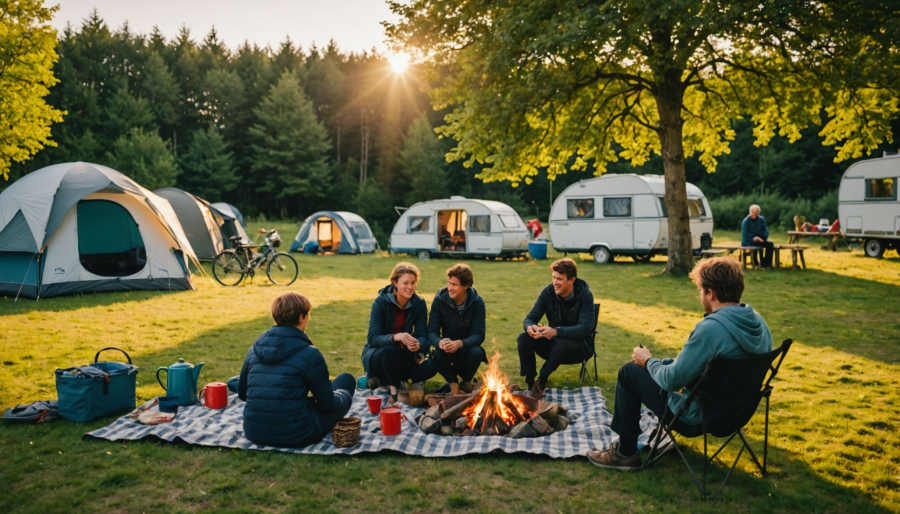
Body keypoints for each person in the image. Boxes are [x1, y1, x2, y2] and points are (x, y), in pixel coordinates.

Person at [586, 257, 773, 470]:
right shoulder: (757, 322)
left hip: (697, 417)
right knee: (656, 369)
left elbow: (671, 381)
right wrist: (663, 363)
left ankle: (625, 453)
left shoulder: (711, 329)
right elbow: (707, 369)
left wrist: (647, 361)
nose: (700, 295)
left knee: (629, 372)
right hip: (737, 412)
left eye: (701, 290)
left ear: (710, 293)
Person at [238, 292, 356, 448]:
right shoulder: (309, 354)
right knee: (346, 380)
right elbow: (328, 404)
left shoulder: (253, 350)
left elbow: (242, 394)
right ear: (301, 317)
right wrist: (341, 396)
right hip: (299, 434)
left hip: (254, 431)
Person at [517, 258, 595, 399]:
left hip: (579, 348)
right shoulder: (548, 292)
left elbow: (585, 328)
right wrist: (530, 327)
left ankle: (541, 381)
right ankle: (530, 382)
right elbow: (530, 318)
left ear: (571, 280)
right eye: (553, 278)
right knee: (523, 337)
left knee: (561, 342)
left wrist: (556, 331)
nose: (555, 283)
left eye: (559, 279)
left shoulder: (585, 296)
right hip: (553, 345)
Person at [362, 262, 438, 402]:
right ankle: (394, 388)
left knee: (432, 366)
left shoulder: (418, 303)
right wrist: (395, 337)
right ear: (395, 283)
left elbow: (422, 335)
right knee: (389, 350)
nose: (410, 287)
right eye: (405, 283)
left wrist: (418, 345)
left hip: (403, 355)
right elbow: (373, 338)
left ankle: (391, 380)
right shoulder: (380, 303)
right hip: (379, 354)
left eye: (413, 283)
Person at [428, 263, 487, 395]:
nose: (450, 288)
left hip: (465, 348)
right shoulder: (439, 299)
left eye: (454, 285)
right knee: (437, 353)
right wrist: (439, 342)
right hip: (447, 349)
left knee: (477, 352)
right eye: (449, 283)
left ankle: (466, 382)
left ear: (466, 286)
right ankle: (453, 384)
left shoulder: (477, 302)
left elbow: (478, 335)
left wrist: (460, 343)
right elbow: (431, 331)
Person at [741, 204, 775, 269]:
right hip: (748, 241)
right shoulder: (746, 221)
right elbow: (745, 234)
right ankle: (761, 263)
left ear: (758, 212)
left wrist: (763, 237)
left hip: (760, 239)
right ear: (750, 212)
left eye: (756, 212)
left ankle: (766, 263)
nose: (754, 214)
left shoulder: (761, 219)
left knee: (770, 245)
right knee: (758, 244)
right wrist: (754, 238)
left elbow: (765, 230)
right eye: (752, 212)